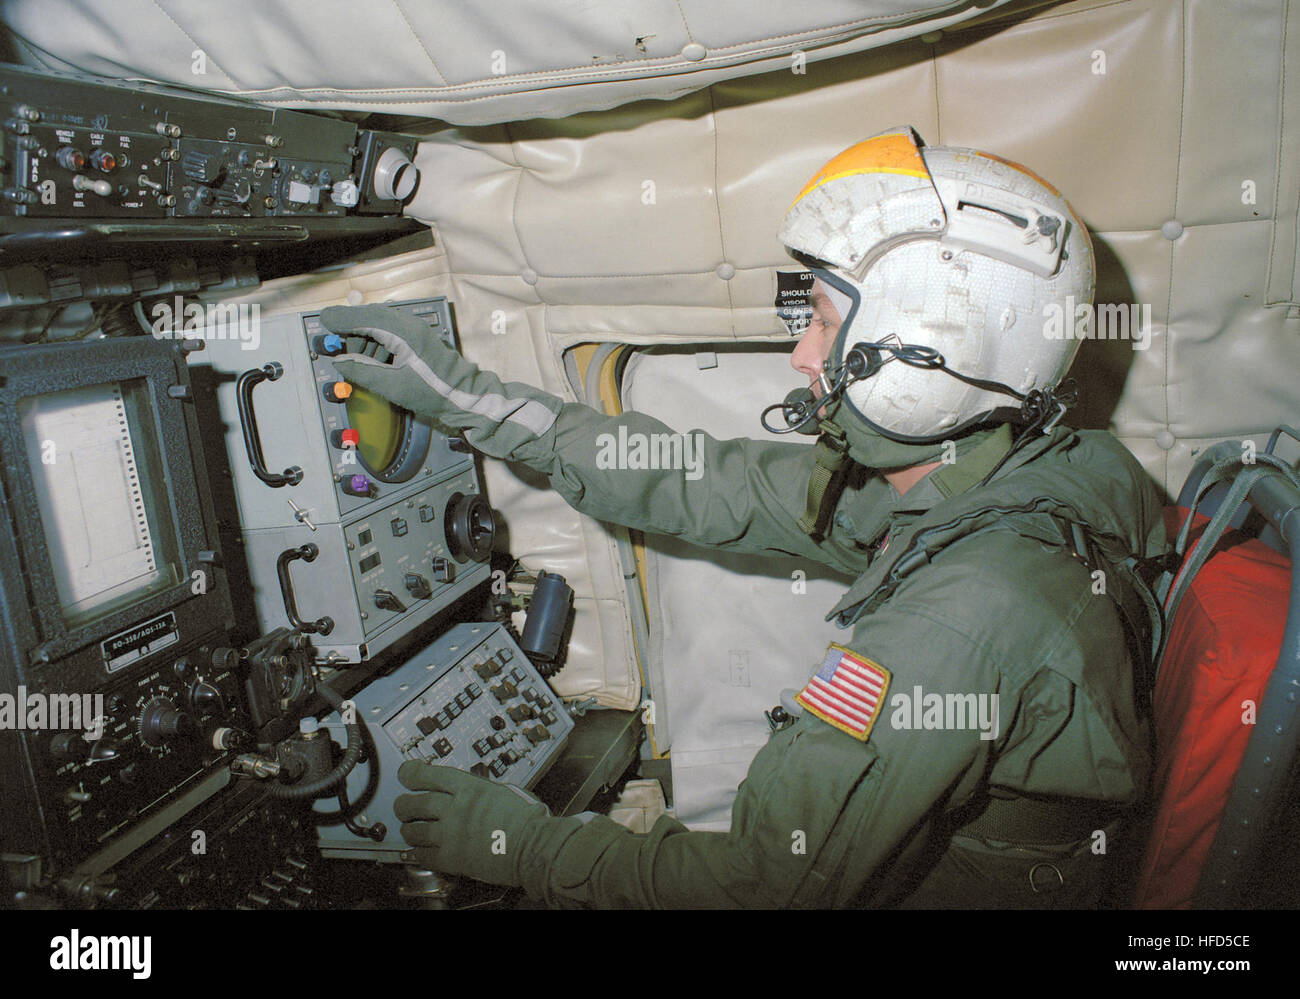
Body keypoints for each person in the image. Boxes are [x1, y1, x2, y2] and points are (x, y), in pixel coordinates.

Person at [323, 126, 1168, 908]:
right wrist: (476, 402)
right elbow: (696, 480)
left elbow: (763, 888)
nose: (802, 354)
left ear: (927, 361)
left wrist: (524, 848)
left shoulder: (970, 612)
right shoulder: (1009, 478)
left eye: (827, 326)